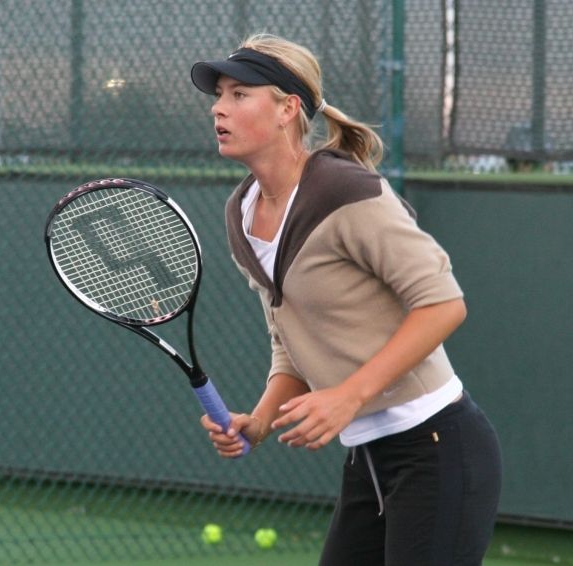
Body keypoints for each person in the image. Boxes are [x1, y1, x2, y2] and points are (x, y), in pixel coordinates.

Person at [190, 33, 502, 565]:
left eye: (240, 94)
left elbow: (444, 303)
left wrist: (349, 395)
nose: (219, 107)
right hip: (370, 460)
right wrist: (262, 418)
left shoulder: (346, 191)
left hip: (438, 449)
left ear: (288, 108)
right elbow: (290, 334)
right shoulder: (242, 212)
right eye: (219, 95)